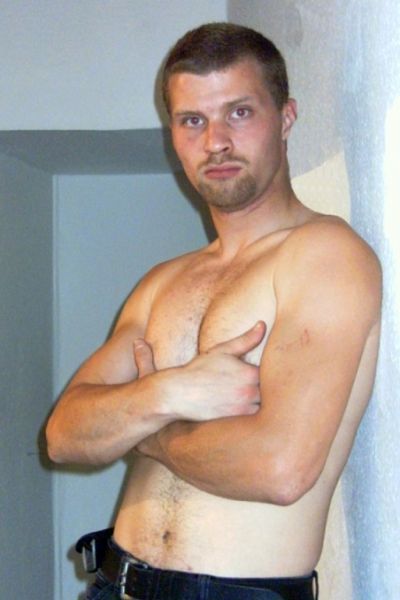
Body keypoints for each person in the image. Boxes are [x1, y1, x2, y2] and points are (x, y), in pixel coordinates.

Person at [46, 22, 381, 600]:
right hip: (115, 584)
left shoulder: (325, 255)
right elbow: (64, 434)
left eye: (239, 113)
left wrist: (144, 432)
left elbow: (280, 469)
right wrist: (168, 392)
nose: (216, 142)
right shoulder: (163, 282)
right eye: (192, 121)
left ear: (286, 118)